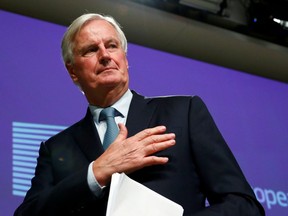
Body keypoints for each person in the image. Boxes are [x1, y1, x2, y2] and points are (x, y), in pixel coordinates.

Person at [14, 13, 265, 216]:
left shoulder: (183, 112)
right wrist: (97, 172)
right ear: (73, 72)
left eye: (112, 45)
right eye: (91, 50)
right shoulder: (56, 147)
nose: (105, 55)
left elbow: (244, 205)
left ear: (124, 58)